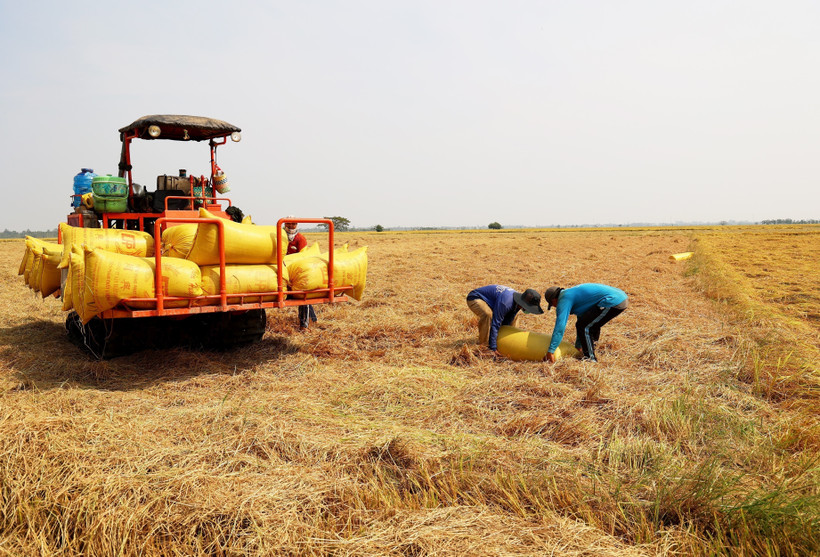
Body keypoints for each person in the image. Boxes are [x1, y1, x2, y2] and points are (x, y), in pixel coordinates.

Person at [542, 283, 629, 363]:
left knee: (585, 327)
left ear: (554, 300)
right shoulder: (571, 293)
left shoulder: (564, 299)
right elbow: (582, 319)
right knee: (590, 325)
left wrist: (551, 351)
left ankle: (590, 359)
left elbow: (560, 326)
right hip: (620, 298)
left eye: (552, 304)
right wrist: (578, 346)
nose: (554, 307)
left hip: (613, 300)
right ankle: (592, 350)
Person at [466, 285, 544, 355]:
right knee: (488, 315)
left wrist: (503, 336)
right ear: (524, 304)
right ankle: (484, 348)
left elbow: (508, 319)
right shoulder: (506, 303)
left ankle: (511, 341)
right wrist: (493, 348)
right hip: (476, 298)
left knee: (515, 317)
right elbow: (495, 323)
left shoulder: (517, 303)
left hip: (493, 302)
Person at [284, 217, 317, 329]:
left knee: (302, 295)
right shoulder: (280, 236)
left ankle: (306, 323)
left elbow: (303, 256)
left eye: (293, 224)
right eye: (288, 223)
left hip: (296, 271)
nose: (290, 226)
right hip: (283, 269)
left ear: (296, 225)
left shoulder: (300, 238)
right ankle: (313, 319)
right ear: (284, 224)